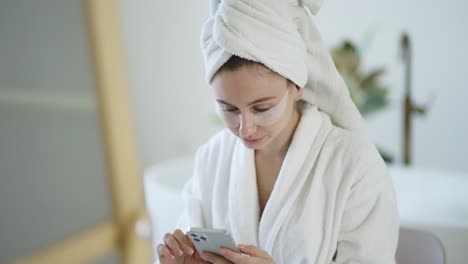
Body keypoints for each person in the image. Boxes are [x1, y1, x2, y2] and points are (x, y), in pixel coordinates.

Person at [156, 0, 399, 263]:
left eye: (262, 108)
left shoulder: (354, 166)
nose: (245, 128)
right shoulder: (212, 159)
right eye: (229, 109)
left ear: (297, 87)